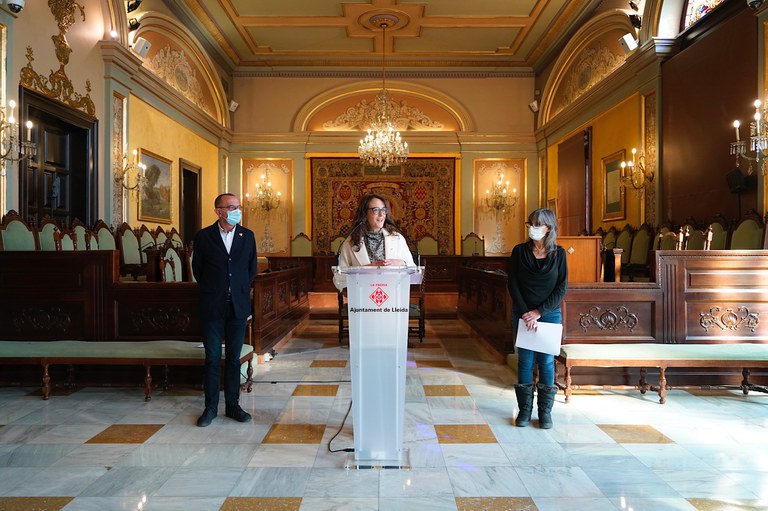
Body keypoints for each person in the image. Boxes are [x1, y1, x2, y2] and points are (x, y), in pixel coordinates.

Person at [191, 193, 257, 427]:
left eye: (238, 206)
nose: (237, 210)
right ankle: (210, 408)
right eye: (231, 207)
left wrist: (236, 288)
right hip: (212, 305)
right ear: (219, 211)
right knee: (211, 358)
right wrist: (217, 288)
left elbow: (251, 270)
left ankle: (233, 405)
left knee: (233, 359)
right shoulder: (203, 237)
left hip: (237, 305)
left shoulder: (247, 236)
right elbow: (198, 270)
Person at [507, 208, 567, 429]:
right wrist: (526, 313)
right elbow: (512, 283)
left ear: (548, 228)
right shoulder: (519, 251)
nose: (532, 228)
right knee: (525, 361)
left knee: (547, 363)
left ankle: (545, 413)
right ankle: (524, 411)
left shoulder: (559, 254)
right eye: (530, 223)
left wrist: (539, 312)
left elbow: (562, 288)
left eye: (536, 224)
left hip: (549, 314)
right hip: (523, 313)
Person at [337, 193, 415, 268]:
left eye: (383, 210)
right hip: (364, 282)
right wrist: (366, 269)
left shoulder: (397, 238)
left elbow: (414, 271)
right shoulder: (350, 242)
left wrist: (402, 263)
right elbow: (339, 278)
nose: (381, 214)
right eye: (376, 210)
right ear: (365, 214)